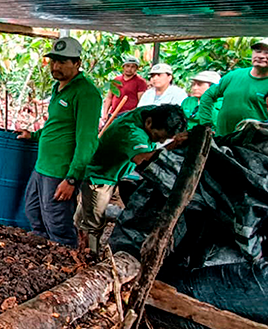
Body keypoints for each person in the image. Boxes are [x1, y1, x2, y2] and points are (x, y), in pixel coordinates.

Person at [17, 37, 102, 248]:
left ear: (77, 63)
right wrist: (33, 136)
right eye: (54, 61)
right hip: (42, 166)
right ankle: (43, 258)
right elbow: (57, 125)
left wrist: (72, 179)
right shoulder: (59, 88)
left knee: (58, 224)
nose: (56, 66)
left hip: (60, 171)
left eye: (63, 62)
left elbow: (87, 141)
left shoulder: (86, 93)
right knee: (34, 213)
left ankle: (65, 266)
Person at [75, 105, 188, 253]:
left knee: (85, 214)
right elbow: (142, 159)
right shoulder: (131, 132)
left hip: (111, 174)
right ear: (148, 123)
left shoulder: (151, 112)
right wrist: (173, 145)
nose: (160, 142)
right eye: (158, 137)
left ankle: (79, 242)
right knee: (93, 223)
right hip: (100, 179)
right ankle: (89, 255)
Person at [199, 38, 268, 135]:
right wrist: (206, 124)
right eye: (258, 51)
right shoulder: (234, 76)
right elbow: (208, 95)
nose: (261, 56)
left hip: (257, 145)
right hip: (223, 140)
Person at [102, 55, 147, 120]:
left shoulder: (140, 82)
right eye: (127, 66)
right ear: (123, 67)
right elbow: (109, 98)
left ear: (136, 68)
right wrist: (105, 113)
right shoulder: (116, 80)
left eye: (133, 67)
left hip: (129, 116)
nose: (129, 69)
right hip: (113, 115)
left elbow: (141, 102)